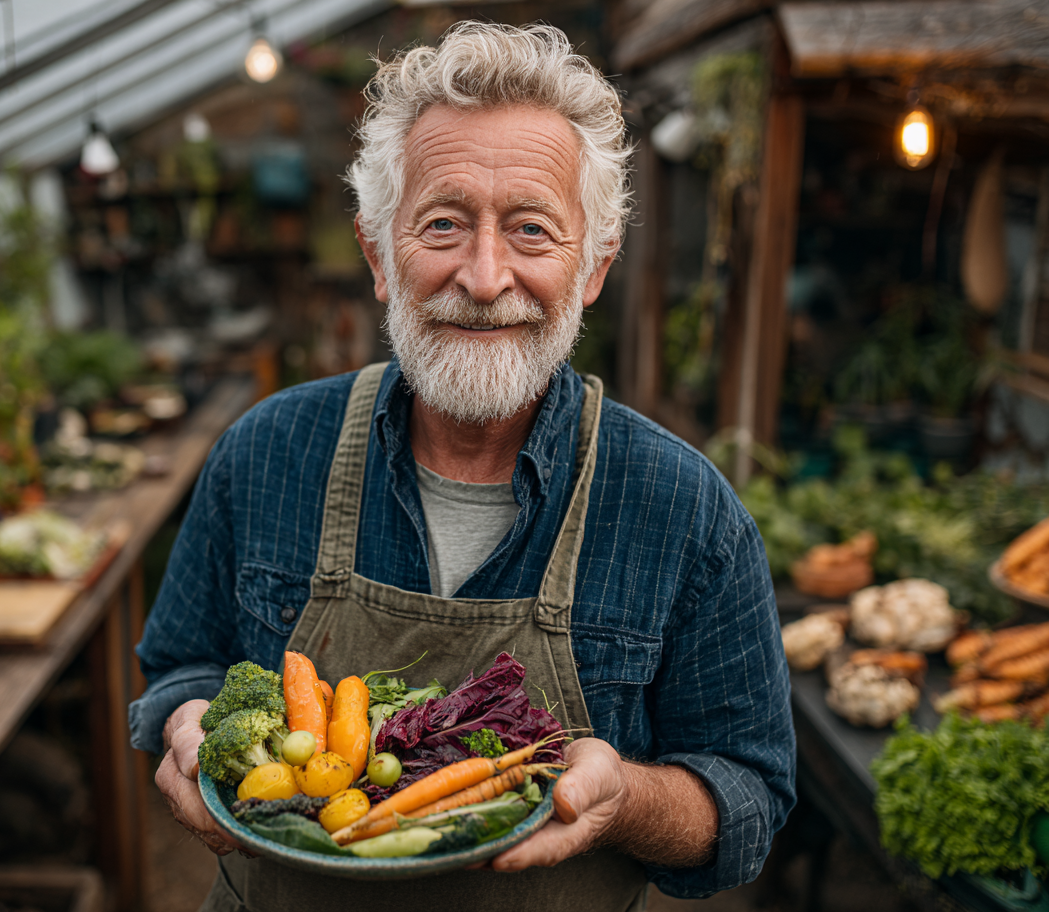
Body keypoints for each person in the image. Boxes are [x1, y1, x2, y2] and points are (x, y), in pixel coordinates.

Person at [131, 21, 795, 912]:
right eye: (443, 224)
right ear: (378, 254)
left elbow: (746, 798)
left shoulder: (683, 510)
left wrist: (626, 799)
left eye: (531, 230)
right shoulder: (266, 453)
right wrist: (185, 728)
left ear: (592, 268)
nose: (485, 278)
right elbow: (181, 664)